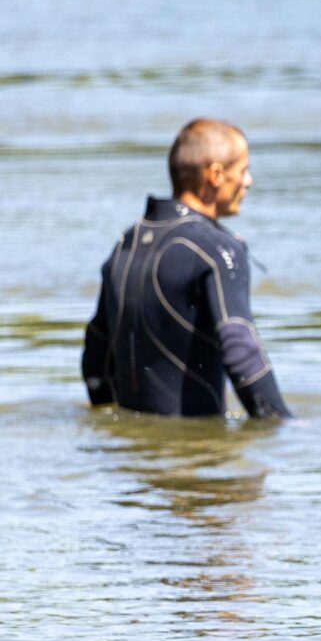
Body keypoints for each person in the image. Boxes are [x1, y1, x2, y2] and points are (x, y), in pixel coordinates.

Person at [82, 118, 290, 420]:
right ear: (216, 175)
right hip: (195, 454)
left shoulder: (127, 243)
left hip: (130, 459)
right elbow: (240, 347)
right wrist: (285, 425)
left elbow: (95, 355)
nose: (248, 181)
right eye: (243, 170)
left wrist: (113, 434)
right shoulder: (216, 248)